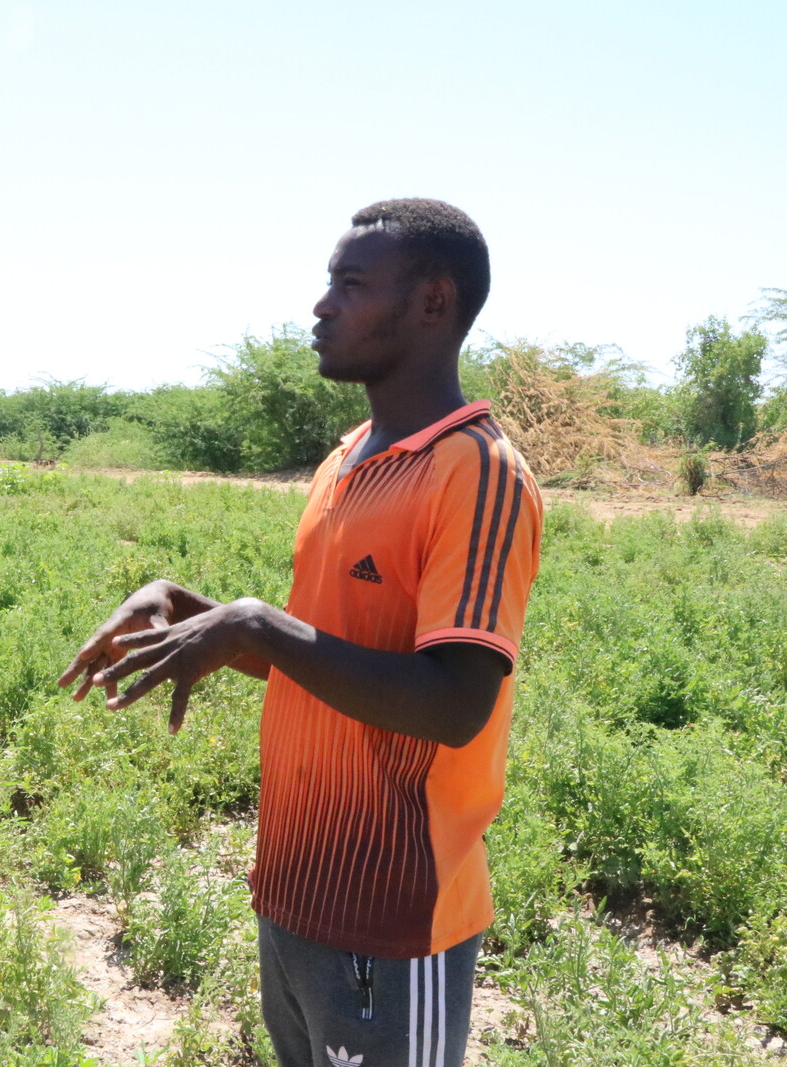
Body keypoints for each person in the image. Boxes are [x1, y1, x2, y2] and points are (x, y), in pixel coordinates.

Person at [59, 199, 542, 1067]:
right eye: (328, 283)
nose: (321, 306)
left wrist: (256, 623)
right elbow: (327, 657)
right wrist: (194, 611)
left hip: (397, 918)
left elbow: (455, 702)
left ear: (434, 302)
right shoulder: (350, 456)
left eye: (350, 286)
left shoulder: (476, 470)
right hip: (295, 895)